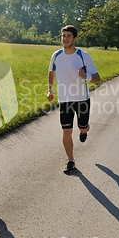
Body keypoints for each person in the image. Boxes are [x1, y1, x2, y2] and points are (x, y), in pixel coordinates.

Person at [47, 25, 101, 174]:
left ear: (75, 38)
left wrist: (86, 76)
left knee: (82, 127)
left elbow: (97, 78)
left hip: (82, 99)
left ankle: (84, 131)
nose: (65, 39)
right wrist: (50, 89)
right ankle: (71, 161)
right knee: (66, 132)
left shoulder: (83, 56)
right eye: (63, 36)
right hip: (65, 100)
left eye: (68, 36)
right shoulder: (56, 55)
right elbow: (51, 71)